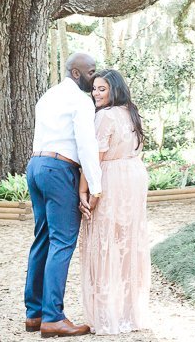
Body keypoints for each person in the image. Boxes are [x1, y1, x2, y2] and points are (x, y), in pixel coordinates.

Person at [25, 52, 103, 338]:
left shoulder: (48, 96)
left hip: (36, 165)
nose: (95, 77)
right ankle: (53, 318)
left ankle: (34, 314)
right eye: (91, 72)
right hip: (60, 169)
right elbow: (86, 145)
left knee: (43, 239)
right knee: (62, 242)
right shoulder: (80, 101)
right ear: (76, 73)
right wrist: (95, 187)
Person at [77, 68, 150, 334]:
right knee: (128, 242)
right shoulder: (131, 111)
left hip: (111, 179)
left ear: (114, 90)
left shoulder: (105, 117)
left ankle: (107, 316)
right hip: (134, 177)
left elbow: (92, 160)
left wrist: (86, 192)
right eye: (94, 88)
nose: (95, 93)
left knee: (104, 241)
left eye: (102, 89)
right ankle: (129, 314)